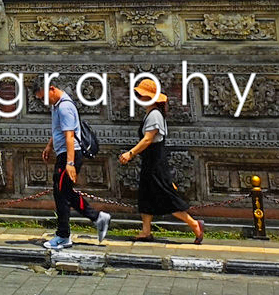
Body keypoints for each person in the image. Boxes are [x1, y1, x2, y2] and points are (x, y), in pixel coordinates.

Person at [118, 80, 203, 243]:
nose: (139, 98)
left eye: (141, 95)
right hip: (150, 162)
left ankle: (194, 224)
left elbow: (148, 139)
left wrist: (130, 153)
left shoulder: (155, 115)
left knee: (166, 197)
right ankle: (146, 231)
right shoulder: (151, 114)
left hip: (155, 163)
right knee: (145, 195)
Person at [38, 81, 111, 250]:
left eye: (44, 97)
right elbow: (59, 130)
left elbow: (70, 136)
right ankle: (98, 218)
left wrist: (70, 163)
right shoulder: (57, 106)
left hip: (69, 156)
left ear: (52, 88)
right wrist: (49, 145)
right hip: (64, 154)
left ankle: (63, 236)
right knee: (64, 192)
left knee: (61, 195)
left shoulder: (64, 107)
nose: (44, 101)